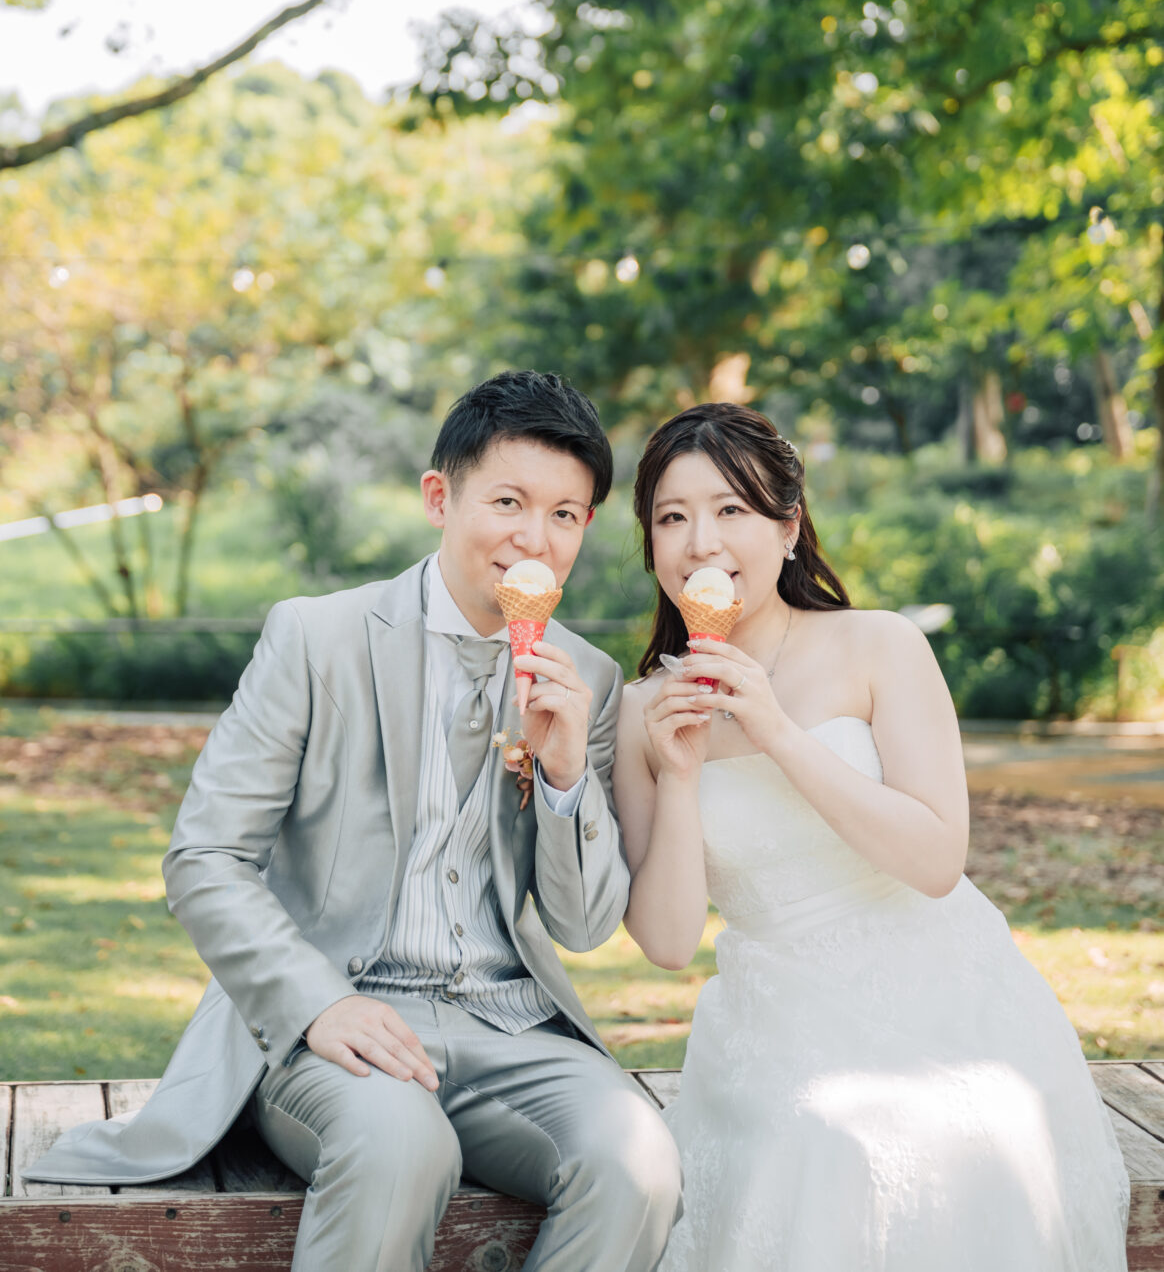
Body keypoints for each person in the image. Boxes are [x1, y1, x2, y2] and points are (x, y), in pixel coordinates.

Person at [28, 370, 682, 1272]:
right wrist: (317, 1003)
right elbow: (205, 856)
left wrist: (567, 774)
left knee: (637, 1163)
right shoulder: (317, 638)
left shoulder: (590, 680)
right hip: (332, 1017)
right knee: (403, 1147)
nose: (535, 538)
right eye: (508, 502)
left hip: (511, 1025)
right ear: (439, 498)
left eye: (565, 515)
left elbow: (584, 923)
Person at [614, 401, 1129, 1272]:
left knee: (974, 1133)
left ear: (788, 528)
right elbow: (666, 942)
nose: (700, 543)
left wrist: (777, 732)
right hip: (776, 1011)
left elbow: (936, 861)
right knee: (827, 1141)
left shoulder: (878, 645)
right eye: (672, 518)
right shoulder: (641, 713)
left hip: (944, 985)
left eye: (730, 509)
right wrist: (684, 773)